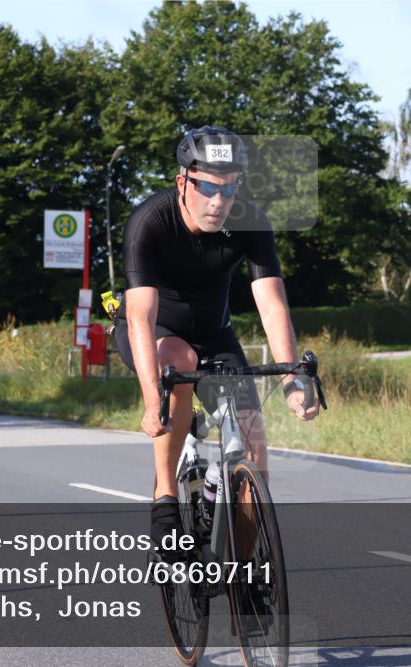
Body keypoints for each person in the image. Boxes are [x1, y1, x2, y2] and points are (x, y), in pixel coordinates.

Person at [112, 126, 320, 556]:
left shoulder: (249, 220)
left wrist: (291, 382)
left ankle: (244, 567)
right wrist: (152, 400)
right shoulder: (149, 221)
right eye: (207, 187)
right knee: (178, 361)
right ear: (182, 181)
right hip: (152, 336)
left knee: (253, 436)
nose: (219, 201)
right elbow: (139, 315)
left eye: (229, 189)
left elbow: (272, 305)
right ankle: (165, 500)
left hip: (214, 335)